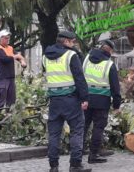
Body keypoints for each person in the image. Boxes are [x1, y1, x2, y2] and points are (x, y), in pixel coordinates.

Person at [43, 31, 91, 172]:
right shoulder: (71, 55)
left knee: (54, 134)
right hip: (71, 99)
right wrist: (85, 98)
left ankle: (53, 166)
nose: (74, 44)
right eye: (73, 41)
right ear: (66, 41)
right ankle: (75, 165)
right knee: (76, 131)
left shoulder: (46, 56)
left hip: (54, 101)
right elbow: (79, 78)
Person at [83, 40, 122, 164]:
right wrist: (117, 105)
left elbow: (79, 77)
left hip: (86, 99)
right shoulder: (109, 65)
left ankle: (78, 152)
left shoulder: (87, 59)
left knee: (82, 127)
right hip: (101, 101)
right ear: (110, 50)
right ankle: (93, 155)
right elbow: (115, 87)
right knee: (98, 128)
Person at [0, 29, 26, 110]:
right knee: (1, 99)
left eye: (8, 38)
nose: (7, 39)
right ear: (0, 38)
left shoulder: (10, 48)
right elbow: (5, 59)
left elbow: (19, 56)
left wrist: (22, 61)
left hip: (11, 77)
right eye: (5, 38)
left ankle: (10, 118)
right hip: (3, 77)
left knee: (11, 100)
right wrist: (15, 56)